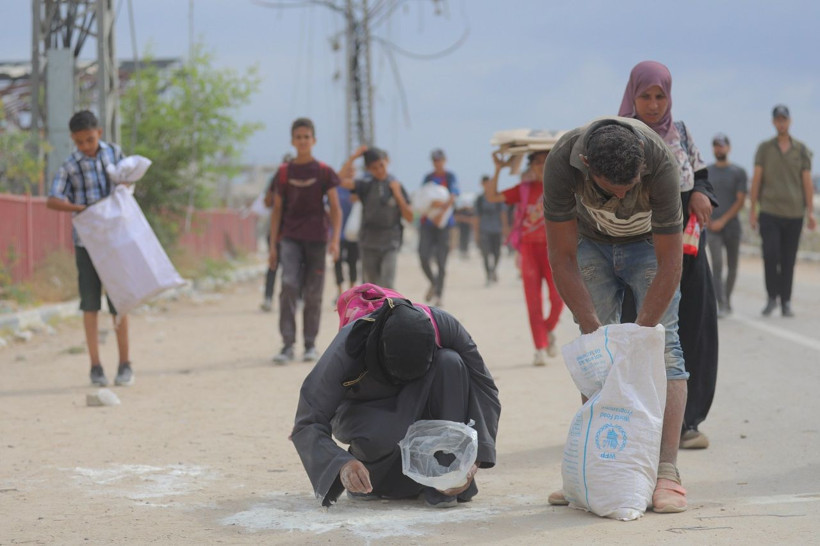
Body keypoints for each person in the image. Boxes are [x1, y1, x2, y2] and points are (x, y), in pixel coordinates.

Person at [543, 117, 688, 512]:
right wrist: (596, 333)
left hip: (648, 246)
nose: (624, 197)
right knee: (597, 355)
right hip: (590, 245)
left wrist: (638, 339)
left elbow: (670, 263)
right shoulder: (562, 162)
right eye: (614, 190)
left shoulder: (658, 160)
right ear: (588, 165)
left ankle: (667, 472)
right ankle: (598, 466)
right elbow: (561, 255)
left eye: (631, 187)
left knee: (665, 347)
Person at [291, 297, 500, 508]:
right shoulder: (350, 344)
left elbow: (485, 387)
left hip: (417, 398)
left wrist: (474, 459)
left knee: (451, 362)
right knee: (390, 430)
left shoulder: (444, 326)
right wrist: (342, 464)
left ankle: (443, 476)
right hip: (364, 410)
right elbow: (307, 420)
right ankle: (371, 474)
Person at [618, 60, 718, 451]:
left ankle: (688, 422)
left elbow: (702, 176)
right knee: (641, 330)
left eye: (661, 96)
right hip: (639, 244)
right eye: (646, 96)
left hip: (687, 248)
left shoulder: (682, 133)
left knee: (694, 326)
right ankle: (638, 419)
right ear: (633, 95)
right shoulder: (620, 136)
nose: (654, 104)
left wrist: (700, 194)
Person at [46, 110, 132, 387]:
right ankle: (95, 365)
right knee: (90, 305)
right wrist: (80, 209)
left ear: (100, 134)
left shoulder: (115, 154)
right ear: (73, 140)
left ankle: (125, 363)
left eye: (90, 140)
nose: (85, 146)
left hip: (115, 239)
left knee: (119, 303)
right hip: (87, 243)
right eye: (80, 142)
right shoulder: (70, 165)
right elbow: (53, 199)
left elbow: (128, 182)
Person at [269, 117, 341, 363]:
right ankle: (287, 344)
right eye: (298, 137)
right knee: (288, 286)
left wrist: (335, 240)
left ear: (314, 140)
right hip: (290, 238)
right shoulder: (284, 173)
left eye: (306, 137)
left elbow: (335, 207)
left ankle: (310, 344)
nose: (302, 141)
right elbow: (276, 210)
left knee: (314, 293)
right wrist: (272, 247)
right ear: (292, 141)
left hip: (317, 239)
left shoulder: (323, 172)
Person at [484, 151, 564, 366]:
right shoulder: (524, 189)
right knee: (533, 300)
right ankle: (539, 348)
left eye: (546, 161)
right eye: (538, 162)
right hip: (528, 248)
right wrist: (499, 169)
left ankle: (547, 330)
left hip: (554, 248)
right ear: (531, 166)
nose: (541, 166)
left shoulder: (561, 187)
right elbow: (492, 196)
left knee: (559, 297)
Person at [749, 104, 816, 317]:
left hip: (794, 214)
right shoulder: (764, 148)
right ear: (773, 122)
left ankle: (786, 301)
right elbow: (757, 180)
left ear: (789, 121)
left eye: (784, 119)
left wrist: (810, 212)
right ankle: (771, 298)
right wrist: (753, 210)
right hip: (769, 212)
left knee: (788, 259)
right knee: (770, 255)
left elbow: (807, 183)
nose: (781, 123)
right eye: (778, 119)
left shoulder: (802, 150)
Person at [338, 146, 413, 288]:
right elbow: (338, 180)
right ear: (368, 169)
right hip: (368, 243)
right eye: (374, 168)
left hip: (390, 241)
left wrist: (398, 195)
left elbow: (409, 216)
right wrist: (354, 157)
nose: (379, 170)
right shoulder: (365, 185)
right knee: (372, 287)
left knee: (388, 284)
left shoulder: (396, 185)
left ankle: (390, 310)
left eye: (381, 165)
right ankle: (377, 310)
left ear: (386, 162)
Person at [706, 133, 748, 318]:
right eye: (716, 145)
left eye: (722, 146)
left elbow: (740, 201)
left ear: (728, 148)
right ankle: (720, 303)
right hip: (711, 227)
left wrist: (723, 220)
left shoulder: (738, 172)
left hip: (731, 227)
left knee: (732, 266)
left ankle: (727, 299)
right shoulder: (706, 171)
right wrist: (708, 220)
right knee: (717, 264)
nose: (719, 149)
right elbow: (702, 197)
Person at [419, 148, 459, 306]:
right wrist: (431, 210)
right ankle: (433, 282)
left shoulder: (450, 177)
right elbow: (423, 198)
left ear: (444, 160)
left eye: (440, 160)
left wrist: (441, 214)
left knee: (441, 262)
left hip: (444, 225)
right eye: (435, 160)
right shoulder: (427, 178)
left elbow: (453, 196)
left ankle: (439, 294)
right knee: (423, 256)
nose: (437, 163)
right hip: (427, 224)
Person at [260, 153, 294, 313]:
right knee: (273, 265)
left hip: (295, 232)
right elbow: (267, 203)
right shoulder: (274, 180)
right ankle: (268, 298)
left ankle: (296, 299)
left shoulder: (300, 182)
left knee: (295, 268)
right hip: (276, 231)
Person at [474, 175, 508, 286]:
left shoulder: (498, 198)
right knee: (485, 254)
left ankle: (493, 270)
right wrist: (476, 233)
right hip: (484, 230)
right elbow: (477, 217)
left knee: (497, 253)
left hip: (497, 229)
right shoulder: (479, 199)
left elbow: (503, 213)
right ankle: (488, 274)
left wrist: (504, 228)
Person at [334, 184, 360, 299]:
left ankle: (352, 292)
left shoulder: (357, 189)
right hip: (337, 234)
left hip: (353, 235)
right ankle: (340, 291)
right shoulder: (335, 189)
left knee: (352, 262)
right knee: (337, 262)